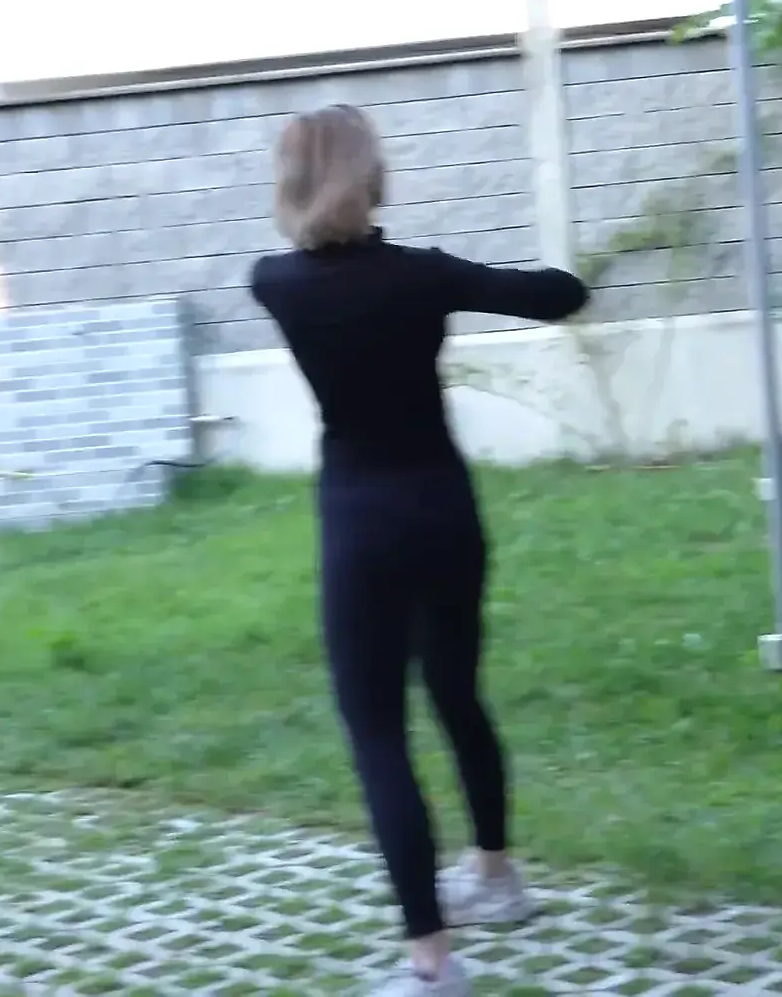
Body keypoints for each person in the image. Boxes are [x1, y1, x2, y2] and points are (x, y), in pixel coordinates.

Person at [247, 104, 590, 996]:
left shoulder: (274, 285)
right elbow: (557, 294)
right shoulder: (422, 275)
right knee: (457, 695)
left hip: (361, 523)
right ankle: (496, 878)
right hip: (444, 513)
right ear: (371, 177)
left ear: (290, 184)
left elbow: (316, 260)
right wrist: (560, 264)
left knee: (378, 734)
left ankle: (433, 966)